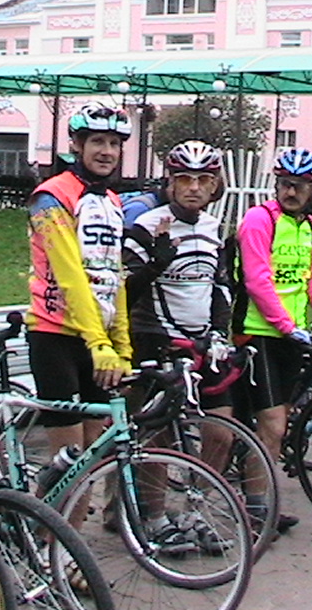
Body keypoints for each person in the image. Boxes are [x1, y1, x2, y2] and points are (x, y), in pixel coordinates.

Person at [121, 139, 241, 545]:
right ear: (170, 181)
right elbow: (124, 293)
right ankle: (155, 520)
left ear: (215, 185)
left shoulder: (214, 228)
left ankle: (194, 513)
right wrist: (156, 264)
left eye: (203, 179)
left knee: (222, 433)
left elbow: (220, 286)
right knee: (158, 438)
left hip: (203, 344)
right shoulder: (145, 225)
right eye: (184, 178)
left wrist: (219, 332)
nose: (193, 187)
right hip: (156, 340)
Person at [233, 147, 312, 527]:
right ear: (276, 184)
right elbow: (257, 281)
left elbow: (310, 278)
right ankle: (256, 509)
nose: (291, 192)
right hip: (257, 333)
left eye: (300, 186)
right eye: (285, 184)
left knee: (276, 424)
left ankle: (257, 497)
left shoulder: (308, 226)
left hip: (289, 336)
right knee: (273, 426)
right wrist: (287, 326)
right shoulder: (259, 220)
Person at [25, 102, 133, 481]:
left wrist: (122, 345)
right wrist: (99, 343)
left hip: (96, 340)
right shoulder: (50, 197)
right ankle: (37, 519)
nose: (107, 151)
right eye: (98, 141)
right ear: (77, 144)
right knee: (69, 464)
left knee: (93, 462)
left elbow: (114, 274)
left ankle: (69, 523)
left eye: (114, 144)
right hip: (56, 336)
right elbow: (70, 276)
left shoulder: (112, 201)